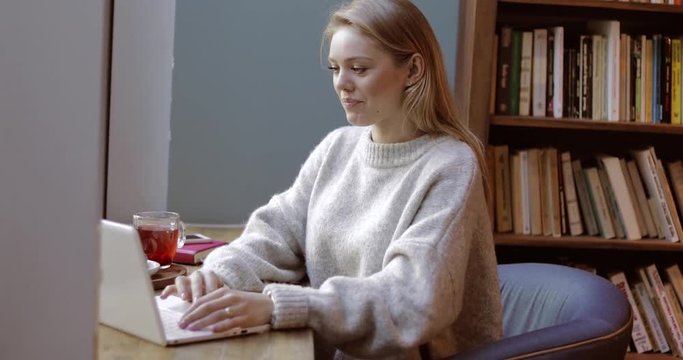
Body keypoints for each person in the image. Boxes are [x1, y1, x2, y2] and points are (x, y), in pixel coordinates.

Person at [161, 0, 502, 358]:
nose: (342, 83)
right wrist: (220, 274)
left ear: (414, 70)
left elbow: (411, 299)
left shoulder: (451, 165)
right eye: (335, 68)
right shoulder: (337, 147)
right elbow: (276, 231)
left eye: (359, 68)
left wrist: (280, 307)